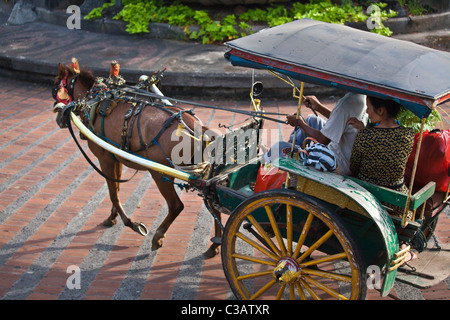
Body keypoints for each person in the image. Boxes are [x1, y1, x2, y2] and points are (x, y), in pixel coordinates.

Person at [264, 92, 368, 176]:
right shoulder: (359, 97)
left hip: (338, 163)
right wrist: (318, 107)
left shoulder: (347, 103)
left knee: (278, 147)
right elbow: (339, 118)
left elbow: (323, 139)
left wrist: (300, 123)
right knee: (313, 121)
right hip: (347, 153)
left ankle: (264, 172)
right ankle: (294, 150)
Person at [349, 96, 415, 194]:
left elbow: (354, 167)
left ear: (380, 110)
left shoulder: (365, 136)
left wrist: (364, 132)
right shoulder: (408, 134)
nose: (367, 112)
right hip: (397, 196)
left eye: (368, 108)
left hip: (367, 194)